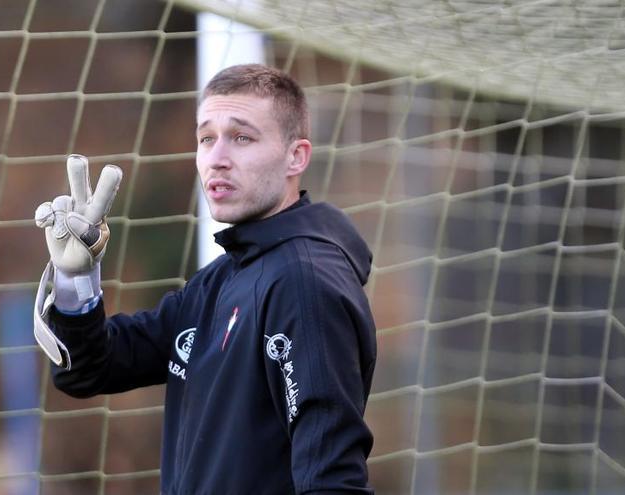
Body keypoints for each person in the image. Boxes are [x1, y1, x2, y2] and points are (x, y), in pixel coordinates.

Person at [33, 63, 377, 494]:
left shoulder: (303, 286)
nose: (216, 159)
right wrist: (75, 279)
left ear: (296, 156)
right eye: (205, 139)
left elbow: (332, 481)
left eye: (241, 137)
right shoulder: (220, 280)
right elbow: (88, 370)